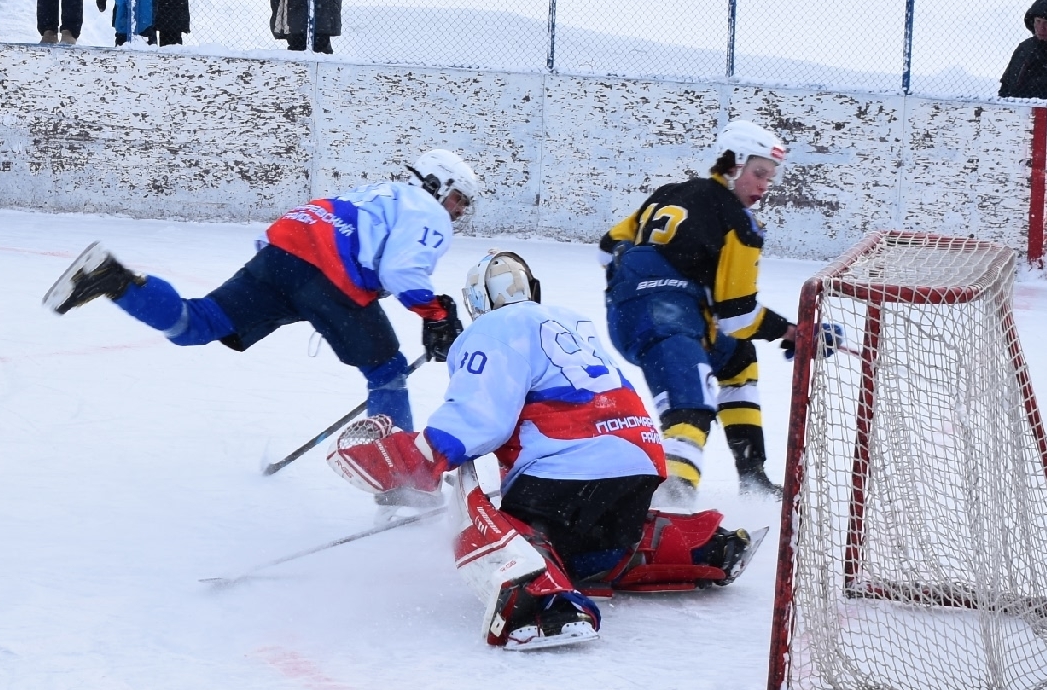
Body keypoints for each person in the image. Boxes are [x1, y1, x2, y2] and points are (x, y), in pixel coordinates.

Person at [325, 252, 758, 649]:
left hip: (568, 464)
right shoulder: (570, 319)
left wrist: (409, 459)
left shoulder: (490, 329)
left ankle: (540, 600)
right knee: (592, 546)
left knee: (485, 519)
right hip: (640, 459)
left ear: (478, 301)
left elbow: (478, 419)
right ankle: (704, 548)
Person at [43, 148, 481, 436]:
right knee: (387, 372)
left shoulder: (378, 192)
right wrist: (437, 314)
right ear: (436, 183)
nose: (458, 211)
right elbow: (403, 270)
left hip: (281, 253)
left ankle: (114, 280)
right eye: (458, 198)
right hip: (329, 274)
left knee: (196, 324)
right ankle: (399, 480)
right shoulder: (428, 211)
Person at [601, 119, 795, 508]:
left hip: (628, 313)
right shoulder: (740, 223)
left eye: (769, 179)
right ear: (732, 163)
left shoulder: (670, 192)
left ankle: (753, 477)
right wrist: (787, 330)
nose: (763, 187)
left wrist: (635, 283)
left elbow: (609, 245)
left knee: (737, 357)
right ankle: (674, 498)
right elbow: (737, 316)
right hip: (670, 320)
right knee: (690, 402)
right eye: (758, 173)